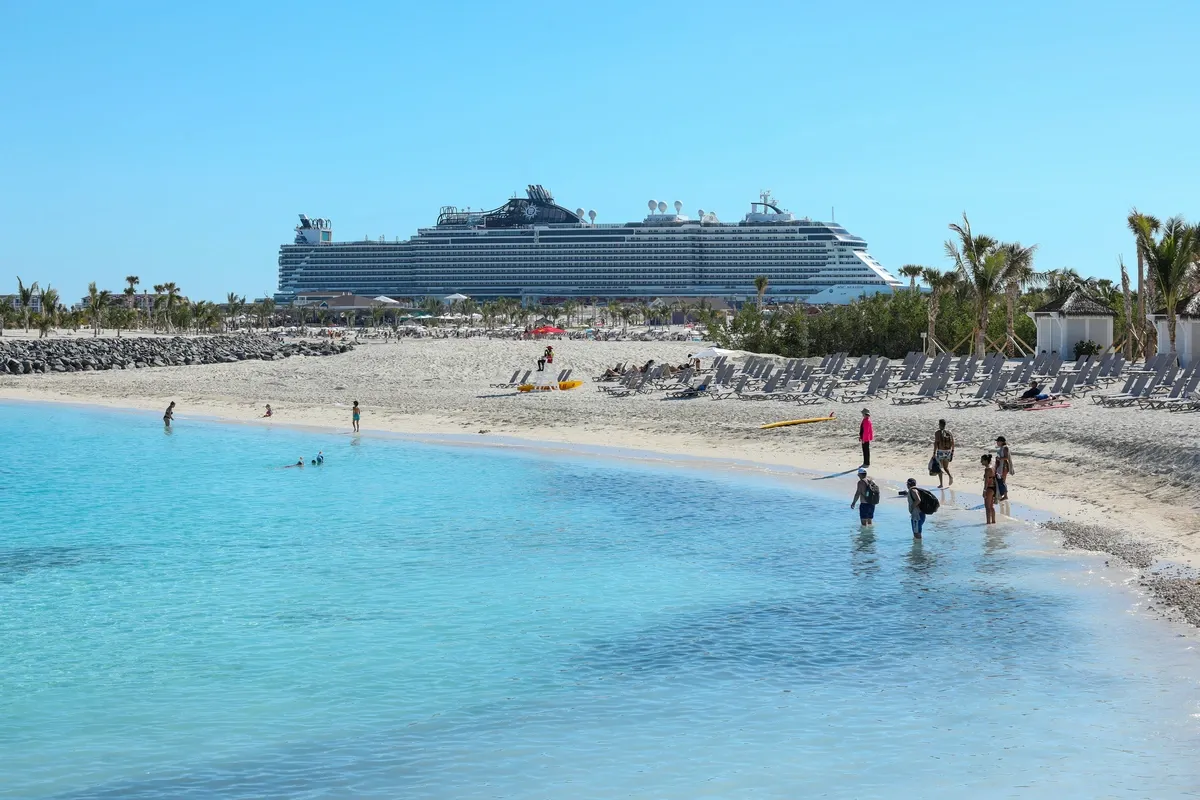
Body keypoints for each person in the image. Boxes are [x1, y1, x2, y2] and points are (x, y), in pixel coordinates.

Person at [933, 419, 955, 488]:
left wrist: (934, 452)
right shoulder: (949, 432)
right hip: (948, 451)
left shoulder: (937, 433)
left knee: (939, 468)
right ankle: (950, 476)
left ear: (939, 424)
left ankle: (941, 484)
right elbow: (953, 443)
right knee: (946, 467)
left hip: (941, 451)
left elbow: (936, 443)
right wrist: (952, 452)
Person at [995, 436, 1013, 500]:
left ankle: (1005, 496)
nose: (997, 442)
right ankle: (1002, 494)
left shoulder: (1005, 448)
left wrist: (1000, 458)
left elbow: (1006, 457)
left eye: (998, 441)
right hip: (1002, 466)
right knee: (1001, 481)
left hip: (1004, 467)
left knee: (1002, 481)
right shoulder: (1002, 448)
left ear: (1001, 442)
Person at [981, 453, 998, 524]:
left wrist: (984, 490)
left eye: (982, 460)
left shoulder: (987, 469)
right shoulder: (993, 466)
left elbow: (986, 481)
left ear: (986, 461)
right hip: (994, 488)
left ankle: (988, 523)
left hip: (989, 488)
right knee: (991, 506)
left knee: (987, 507)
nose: (981, 462)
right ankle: (993, 522)